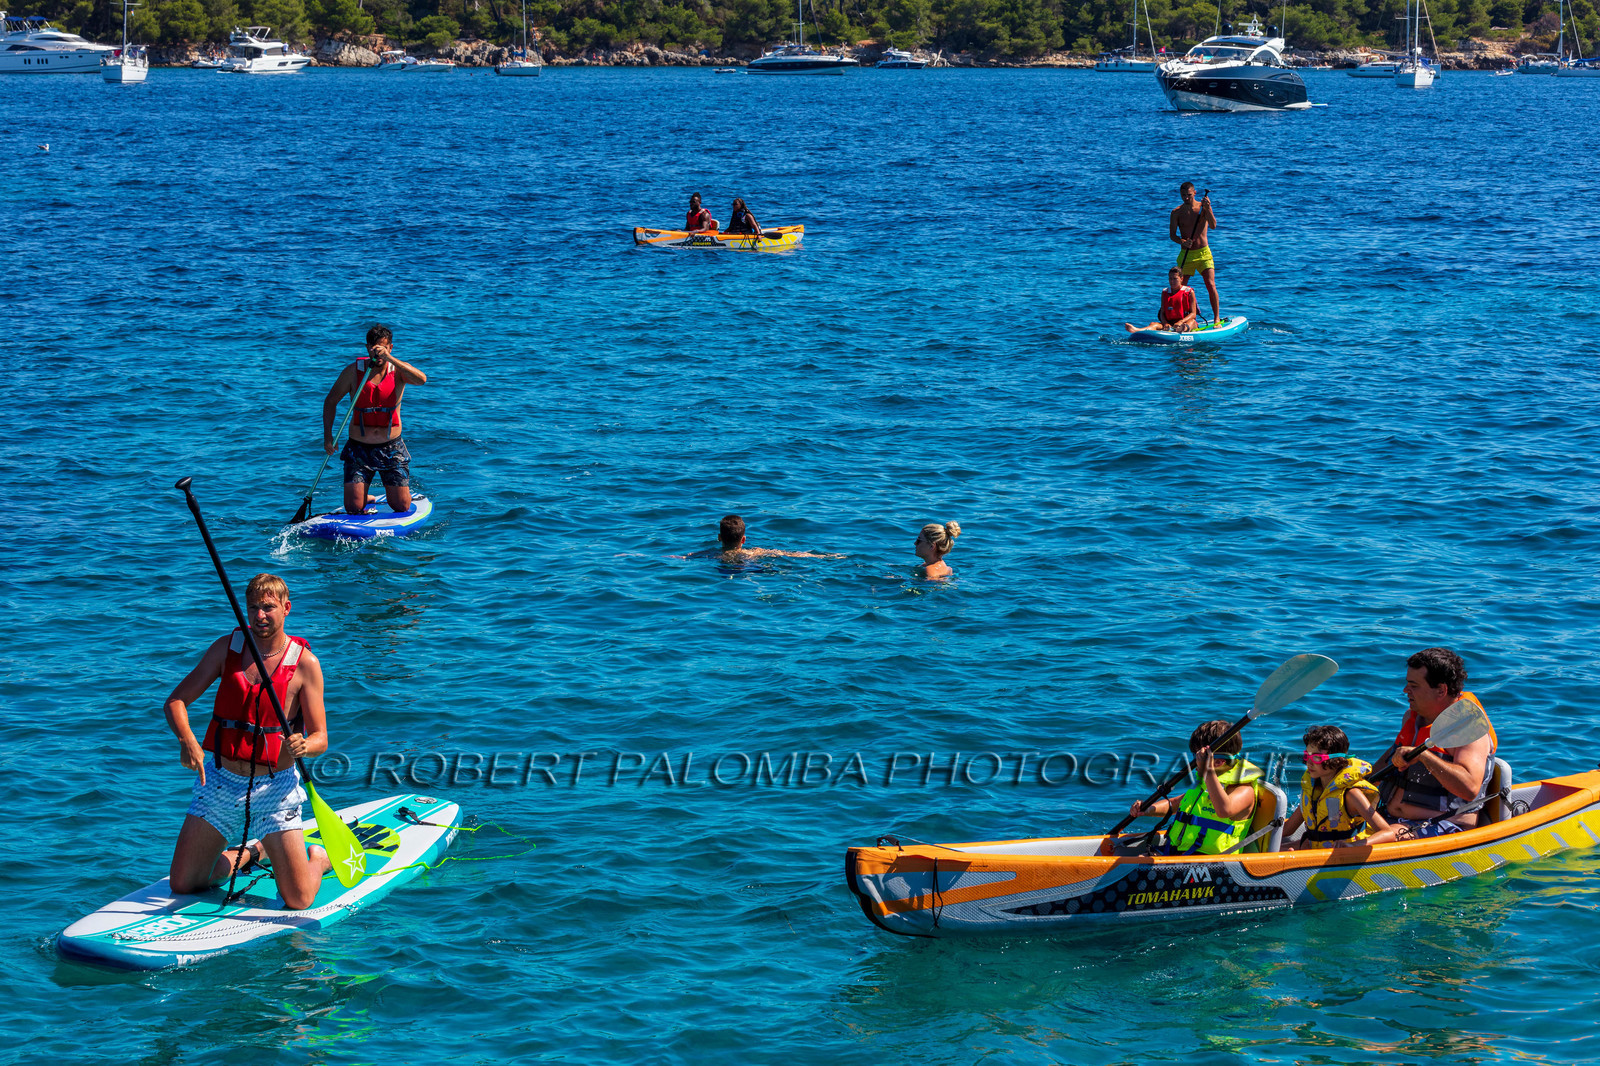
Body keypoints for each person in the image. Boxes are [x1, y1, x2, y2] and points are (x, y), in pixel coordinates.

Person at [161, 574, 332, 909]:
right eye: (253, 607)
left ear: (286, 608)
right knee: (183, 884)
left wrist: (304, 746)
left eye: (268, 607)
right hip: (220, 782)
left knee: (298, 900)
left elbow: (321, 738)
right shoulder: (227, 649)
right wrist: (188, 742)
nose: (259, 615)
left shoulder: (306, 665)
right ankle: (254, 850)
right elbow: (175, 701)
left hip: (274, 790)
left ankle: (319, 859)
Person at [1376, 647, 1497, 840]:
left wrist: (1424, 756)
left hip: (1444, 827)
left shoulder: (1470, 728)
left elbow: (1469, 789)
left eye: (1413, 686)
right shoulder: (1413, 718)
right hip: (1391, 820)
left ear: (1441, 690)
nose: (1405, 690)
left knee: (1362, 843)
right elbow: (1385, 765)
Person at [322, 324, 427, 515]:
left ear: (390, 347)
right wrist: (328, 437)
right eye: (373, 348)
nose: (377, 353)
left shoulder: (399, 370)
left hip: (391, 448)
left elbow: (422, 380)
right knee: (354, 508)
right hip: (359, 448)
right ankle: (365, 498)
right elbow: (330, 401)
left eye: (382, 348)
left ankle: (392, 494)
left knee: (401, 506)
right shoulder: (353, 372)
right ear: (367, 347)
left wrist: (389, 359)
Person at [1126, 720, 1260, 855]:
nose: (1195, 763)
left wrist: (1207, 770)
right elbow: (1174, 804)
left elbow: (1224, 810)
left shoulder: (1244, 790)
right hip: (1181, 854)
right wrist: (1148, 809)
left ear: (1218, 762)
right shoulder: (1209, 783)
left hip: (1213, 864)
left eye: (1198, 758)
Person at [1281, 725, 1390, 849]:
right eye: (1307, 756)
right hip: (1314, 849)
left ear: (1336, 760)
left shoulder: (1351, 795)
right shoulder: (1313, 790)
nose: (1309, 762)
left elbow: (1387, 833)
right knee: (1271, 850)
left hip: (1342, 855)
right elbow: (1287, 830)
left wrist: (1352, 846)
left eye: (1316, 757)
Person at [681, 514, 840, 560]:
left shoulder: (710, 554)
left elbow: (683, 557)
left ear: (719, 537)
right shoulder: (755, 552)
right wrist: (821, 556)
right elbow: (788, 553)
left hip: (723, 568)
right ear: (743, 539)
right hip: (748, 564)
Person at [1170, 182, 1219, 322]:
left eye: (1189, 195)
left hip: (1204, 253)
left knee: (1210, 285)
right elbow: (1172, 235)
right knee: (1179, 289)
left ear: (1195, 193)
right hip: (1186, 255)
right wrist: (1183, 242)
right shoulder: (1176, 212)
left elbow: (1214, 225)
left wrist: (1208, 208)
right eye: (1183, 195)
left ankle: (1216, 318)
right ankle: (1182, 319)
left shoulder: (1202, 208)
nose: (1186, 198)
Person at [1124, 267, 1199, 334]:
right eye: (1170, 278)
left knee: (1191, 322)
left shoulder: (1189, 292)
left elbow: (1193, 314)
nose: (1172, 281)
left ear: (1181, 279)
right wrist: (1165, 323)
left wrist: (1181, 321)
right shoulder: (1165, 292)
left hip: (1185, 322)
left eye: (1175, 279)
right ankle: (1137, 330)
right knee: (1154, 324)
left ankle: (1182, 329)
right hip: (1170, 324)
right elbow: (1162, 313)